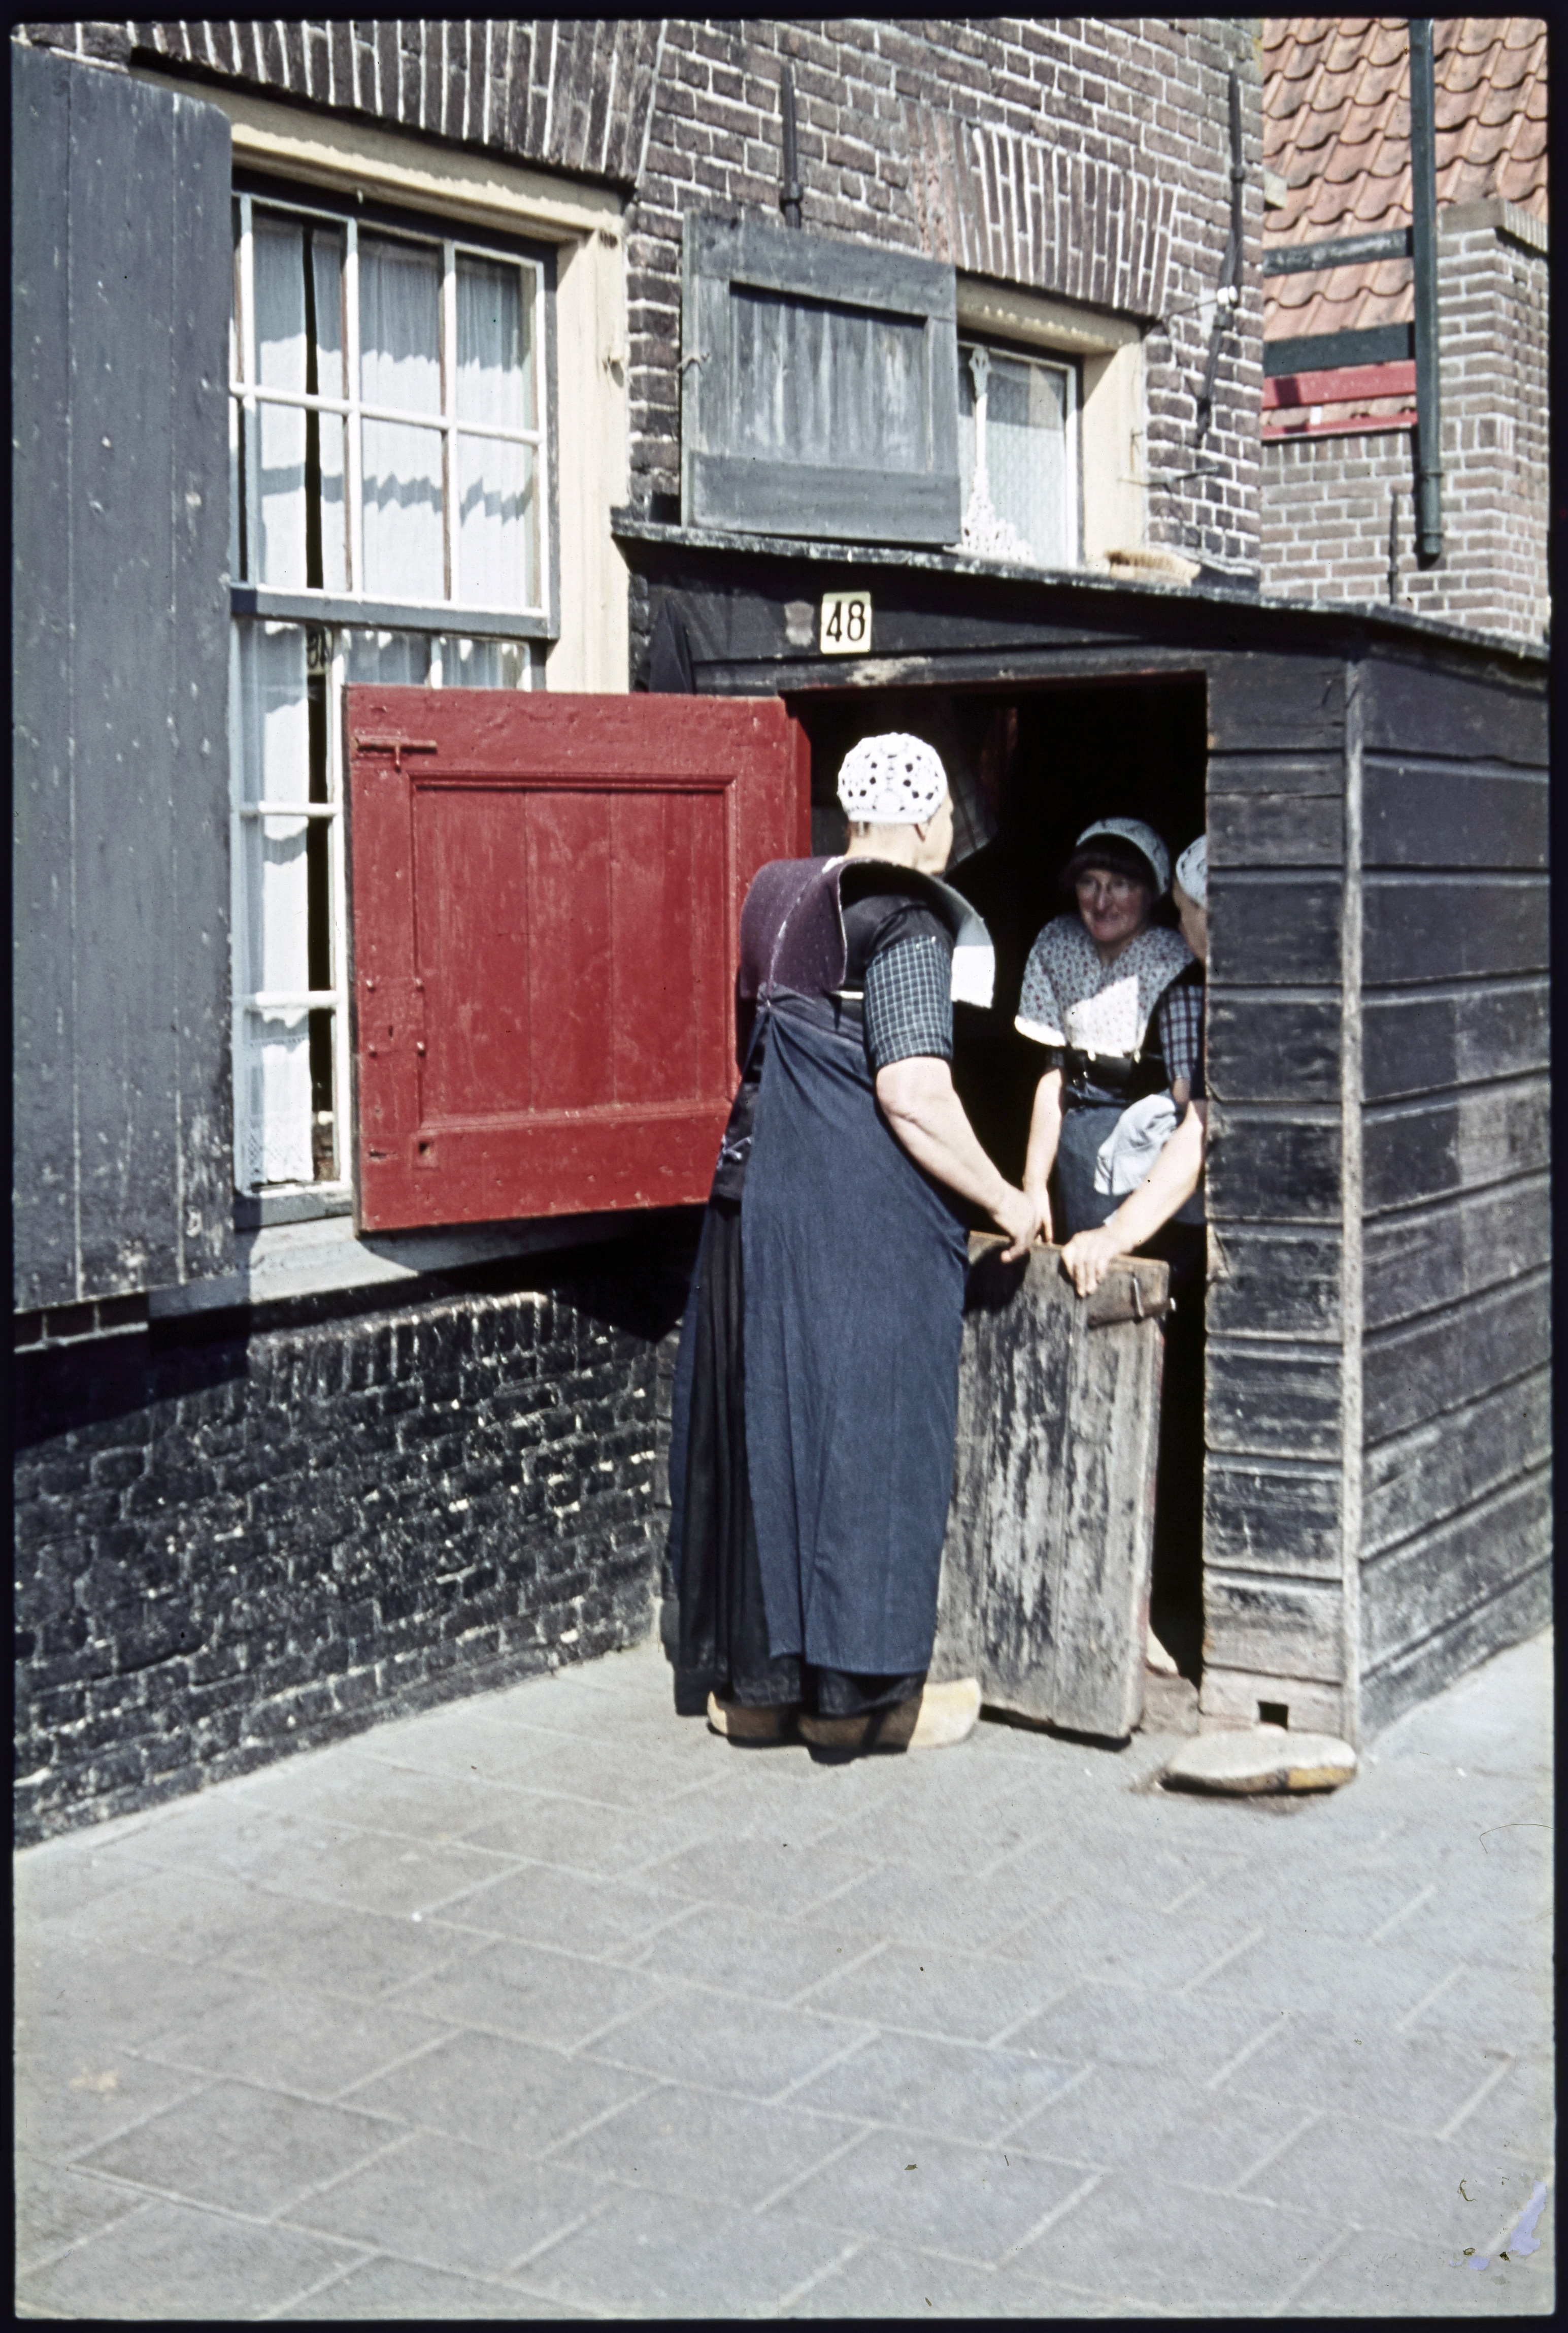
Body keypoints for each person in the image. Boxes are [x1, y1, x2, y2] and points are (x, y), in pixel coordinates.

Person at [668, 733, 1041, 1754]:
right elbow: (911, 1093)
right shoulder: (907, 918)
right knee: (866, 1435)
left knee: (763, 1432)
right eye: (950, 817)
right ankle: (856, 1704)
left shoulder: (774, 893)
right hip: (848, 1219)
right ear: (924, 820)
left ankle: (758, 1691)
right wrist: (1005, 1197)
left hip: (750, 1203)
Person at [1057, 833, 1210, 1679]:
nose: (1180, 928)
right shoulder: (1198, 985)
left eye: (1184, 912)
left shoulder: (1202, 984)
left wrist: (1114, 1233)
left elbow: (1193, 1135)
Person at [1016, 817, 1198, 1244]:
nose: (1101, 902)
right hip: (1080, 1151)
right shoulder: (1057, 944)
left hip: (1152, 1157)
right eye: (1089, 883)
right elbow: (1054, 1075)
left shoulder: (1177, 959)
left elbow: (1190, 1101)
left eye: (1121, 885)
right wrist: (1033, 1184)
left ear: (1152, 891)